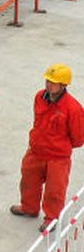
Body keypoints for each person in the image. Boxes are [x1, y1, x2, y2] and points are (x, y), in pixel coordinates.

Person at [11, 64, 84, 231]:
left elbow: (79, 139)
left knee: (54, 191)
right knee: (28, 181)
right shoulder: (39, 97)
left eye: (54, 82)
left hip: (58, 158)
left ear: (64, 85)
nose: (49, 84)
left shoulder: (74, 108)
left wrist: (58, 146)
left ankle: (51, 218)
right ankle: (29, 207)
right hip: (36, 151)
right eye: (48, 80)